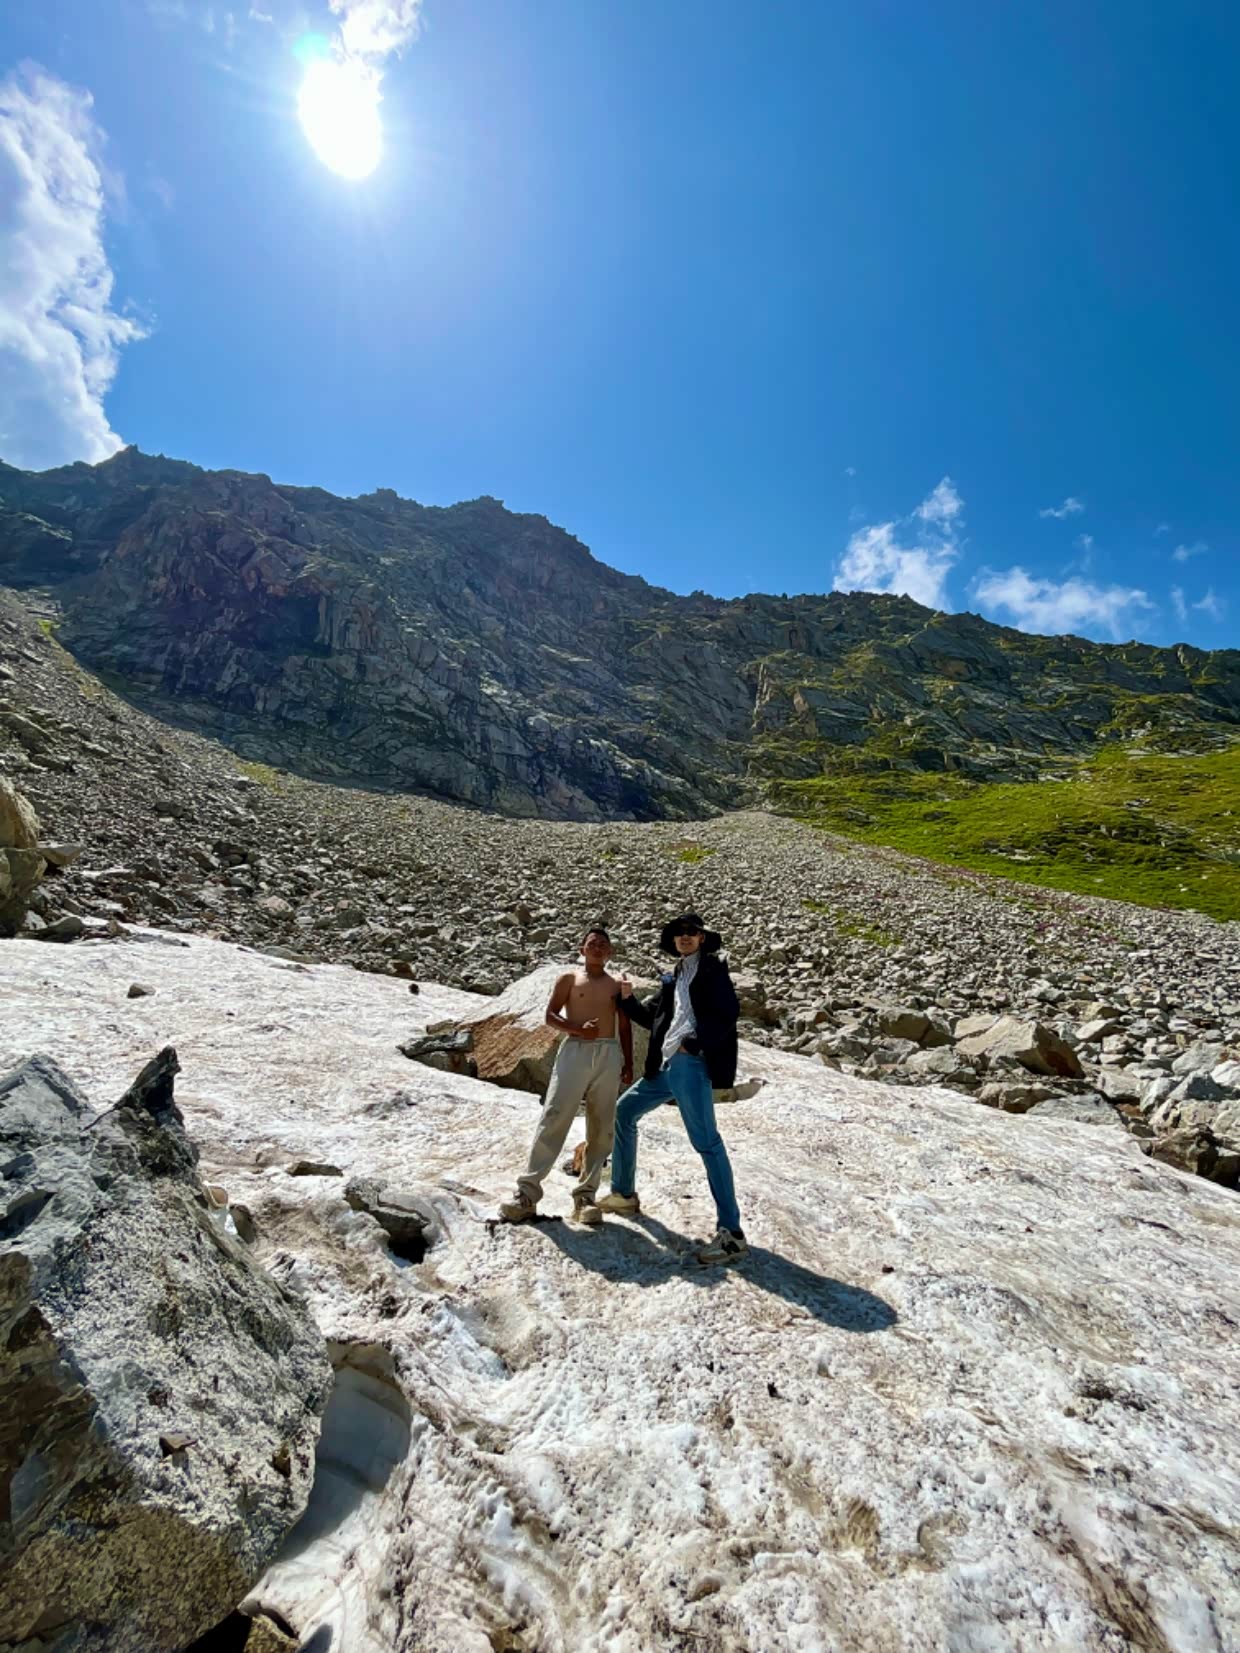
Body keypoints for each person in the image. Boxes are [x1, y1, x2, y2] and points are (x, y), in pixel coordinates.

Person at [598, 913, 748, 1264]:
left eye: (691, 932)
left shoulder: (712, 969)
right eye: (679, 932)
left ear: (702, 937)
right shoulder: (677, 974)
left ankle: (732, 1235)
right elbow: (654, 1018)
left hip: (689, 1064)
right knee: (624, 1111)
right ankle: (623, 1193)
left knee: (708, 1143)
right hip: (666, 1065)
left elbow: (728, 1013)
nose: (685, 937)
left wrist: (693, 1045)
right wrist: (627, 999)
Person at [500, 928, 633, 1227]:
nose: (597, 948)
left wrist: (628, 1062)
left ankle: (586, 1197)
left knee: (602, 1125)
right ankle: (527, 1193)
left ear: (610, 952)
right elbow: (550, 1015)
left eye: (603, 945)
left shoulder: (616, 984)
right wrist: (576, 1029)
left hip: (609, 1051)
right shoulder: (569, 979)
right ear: (581, 949)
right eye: (592, 943)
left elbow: (624, 1025)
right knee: (555, 1114)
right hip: (575, 1049)